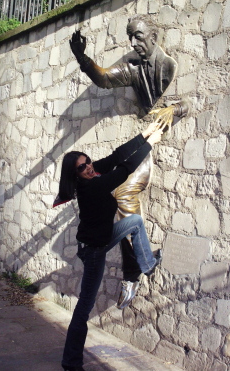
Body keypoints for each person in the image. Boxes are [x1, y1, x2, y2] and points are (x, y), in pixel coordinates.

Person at [69, 15, 188, 310]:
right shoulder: (133, 69)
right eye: (130, 38)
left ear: (154, 35)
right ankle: (137, 269)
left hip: (149, 141)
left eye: (138, 37)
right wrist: (83, 59)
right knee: (120, 199)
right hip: (141, 141)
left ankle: (133, 273)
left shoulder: (168, 66)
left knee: (122, 194)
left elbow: (185, 102)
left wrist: (174, 109)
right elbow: (105, 77)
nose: (134, 44)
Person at [58, 122, 163, 371]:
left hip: (102, 238)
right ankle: (71, 363)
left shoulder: (93, 174)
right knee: (84, 306)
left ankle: (147, 264)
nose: (89, 167)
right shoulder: (92, 186)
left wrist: (143, 134)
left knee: (135, 221)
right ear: (75, 174)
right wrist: (150, 144)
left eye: (88, 162)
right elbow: (124, 169)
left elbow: (116, 156)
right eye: (82, 167)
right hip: (94, 250)